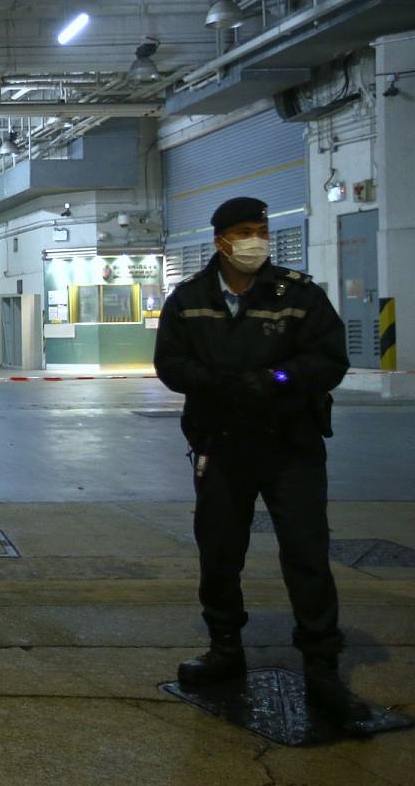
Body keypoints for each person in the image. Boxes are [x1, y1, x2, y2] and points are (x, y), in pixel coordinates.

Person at [154, 197, 368, 725]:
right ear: (222, 239)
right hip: (222, 444)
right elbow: (171, 363)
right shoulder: (189, 299)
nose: (257, 239)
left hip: (290, 444)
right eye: (246, 231)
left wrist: (272, 380)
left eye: (262, 230)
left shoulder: (298, 294)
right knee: (220, 549)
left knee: (306, 551)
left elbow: (328, 358)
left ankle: (321, 667)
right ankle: (225, 648)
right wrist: (216, 384)